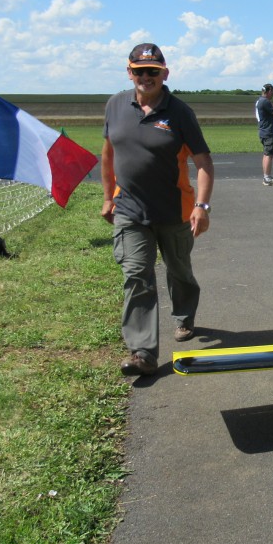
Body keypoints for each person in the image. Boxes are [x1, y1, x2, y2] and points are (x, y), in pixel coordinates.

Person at [100, 43, 215, 376]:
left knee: (179, 270)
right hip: (129, 209)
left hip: (174, 210)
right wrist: (109, 197)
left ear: (165, 73)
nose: (145, 77)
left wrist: (202, 206)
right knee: (137, 275)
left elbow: (203, 161)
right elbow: (107, 154)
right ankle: (143, 352)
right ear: (129, 72)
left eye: (153, 71)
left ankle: (184, 316)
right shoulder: (115, 105)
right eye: (139, 71)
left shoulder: (179, 112)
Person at [255, 83, 273, 186]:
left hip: (264, 131)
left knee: (267, 154)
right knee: (269, 155)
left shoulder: (260, 100)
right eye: (272, 91)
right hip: (267, 132)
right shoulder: (265, 102)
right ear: (267, 91)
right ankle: (267, 178)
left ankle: (267, 176)